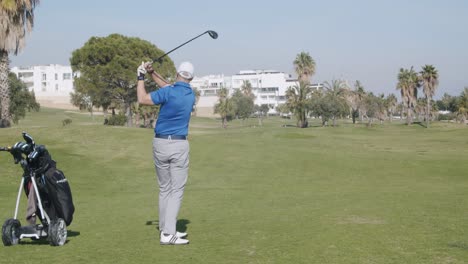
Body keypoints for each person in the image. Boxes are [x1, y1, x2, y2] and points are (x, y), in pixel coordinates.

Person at [136, 61, 196, 245]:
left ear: (177, 73)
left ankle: (165, 228)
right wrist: (152, 73)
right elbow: (166, 86)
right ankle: (168, 234)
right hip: (178, 145)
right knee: (176, 191)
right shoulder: (190, 94)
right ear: (191, 78)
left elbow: (142, 99)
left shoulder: (169, 91)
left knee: (165, 189)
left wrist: (141, 77)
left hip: (160, 143)